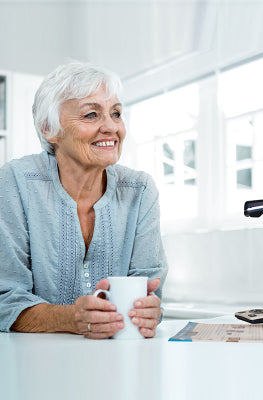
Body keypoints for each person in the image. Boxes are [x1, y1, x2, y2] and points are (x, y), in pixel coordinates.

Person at [0, 62, 168, 339]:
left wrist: (150, 311)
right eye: (91, 115)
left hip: (117, 361)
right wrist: (70, 318)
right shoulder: (15, 182)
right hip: (33, 363)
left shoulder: (140, 189)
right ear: (48, 128)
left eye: (116, 113)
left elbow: (151, 290)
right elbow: (4, 297)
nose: (111, 127)